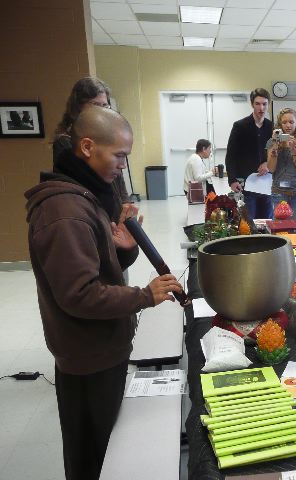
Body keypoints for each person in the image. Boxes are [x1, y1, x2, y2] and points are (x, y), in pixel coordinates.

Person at [25, 107, 183, 480]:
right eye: (119, 156)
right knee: (95, 453)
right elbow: (79, 294)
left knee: (105, 441)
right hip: (88, 355)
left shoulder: (84, 196)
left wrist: (123, 250)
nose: (123, 166)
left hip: (102, 346)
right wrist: (144, 296)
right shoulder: (65, 211)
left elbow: (96, 266)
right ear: (87, 147)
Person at [53, 77, 129, 222]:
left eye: (105, 105)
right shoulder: (66, 142)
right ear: (78, 106)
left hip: (112, 210)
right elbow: (85, 184)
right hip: (91, 213)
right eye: (95, 104)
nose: (101, 110)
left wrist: (125, 202)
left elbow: (117, 174)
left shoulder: (106, 135)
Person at [225, 88, 273, 219]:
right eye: (257, 104)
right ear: (252, 104)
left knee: (267, 222)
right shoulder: (240, 126)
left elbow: (278, 153)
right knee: (249, 223)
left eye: (264, 104)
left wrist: (268, 164)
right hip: (247, 185)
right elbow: (230, 155)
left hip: (267, 185)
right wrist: (232, 180)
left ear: (268, 104)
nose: (261, 108)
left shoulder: (272, 128)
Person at [266, 107, 296, 225]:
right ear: (279, 125)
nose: (288, 125)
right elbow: (271, 168)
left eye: (291, 122)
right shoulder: (272, 142)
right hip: (278, 192)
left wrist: (294, 150)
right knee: (280, 230)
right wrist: (275, 146)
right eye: (284, 122)